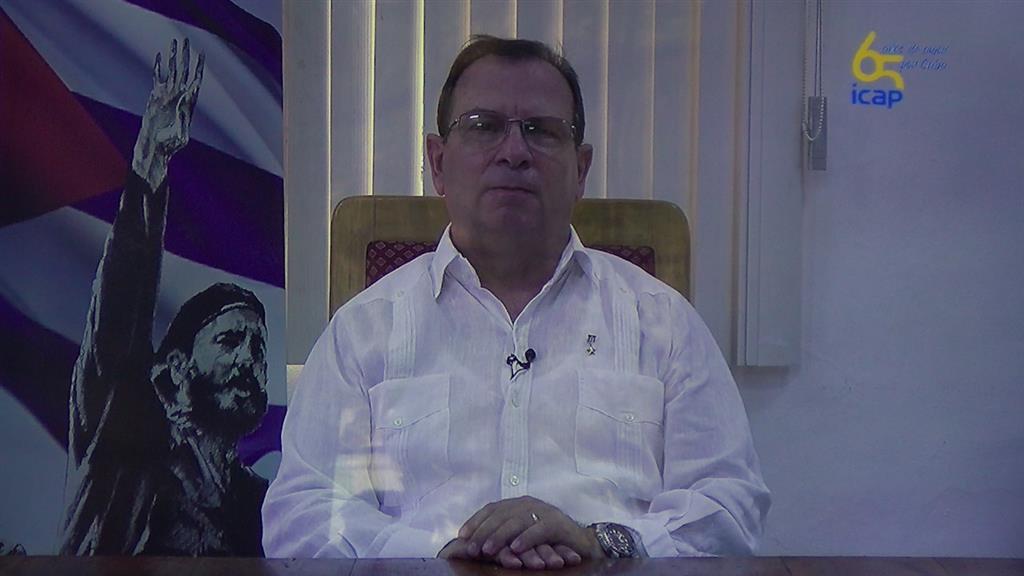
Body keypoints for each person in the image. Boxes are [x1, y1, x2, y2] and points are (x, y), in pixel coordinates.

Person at [263, 35, 770, 568]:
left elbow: (730, 508)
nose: (513, 152)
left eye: (541, 130)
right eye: (483, 126)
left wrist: (601, 542)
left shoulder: (662, 323)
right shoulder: (363, 331)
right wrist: (442, 554)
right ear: (438, 162)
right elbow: (301, 517)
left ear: (581, 169)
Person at [60, 39, 270, 556]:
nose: (248, 359)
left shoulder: (262, 501)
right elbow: (120, 311)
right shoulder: (125, 436)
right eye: (230, 341)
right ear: (175, 369)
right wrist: (151, 161)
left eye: (259, 348)